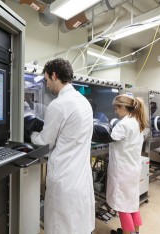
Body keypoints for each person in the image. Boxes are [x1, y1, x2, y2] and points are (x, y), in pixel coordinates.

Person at [28, 58, 95, 234]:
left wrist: (30, 133)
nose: (47, 84)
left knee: (60, 226)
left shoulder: (59, 104)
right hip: (80, 175)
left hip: (64, 178)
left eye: (47, 79)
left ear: (54, 75)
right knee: (77, 226)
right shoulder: (84, 102)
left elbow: (45, 142)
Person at [106, 94, 148, 234]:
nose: (115, 111)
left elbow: (109, 137)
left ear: (123, 107)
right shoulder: (137, 121)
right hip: (132, 168)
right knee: (132, 203)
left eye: (116, 108)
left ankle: (127, 232)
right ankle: (135, 231)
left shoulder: (123, 124)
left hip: (122, 171)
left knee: (122, 205)